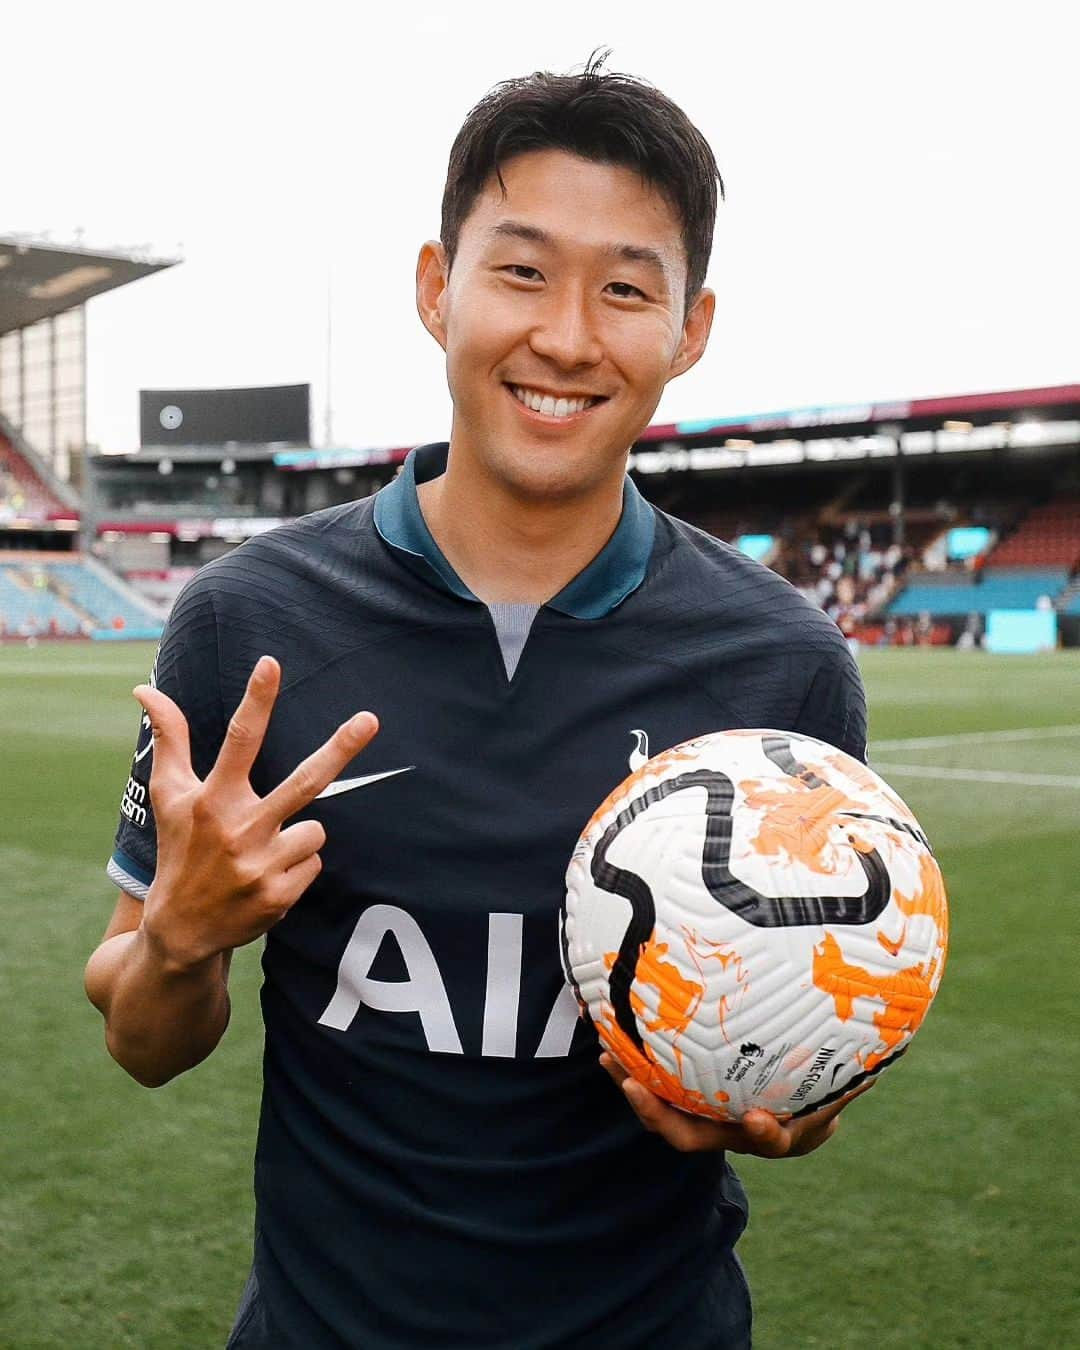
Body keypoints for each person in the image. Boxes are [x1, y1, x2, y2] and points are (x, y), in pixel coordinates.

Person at [85, 53, 870, 1350]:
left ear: (691, 327)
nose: (566, 335)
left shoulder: (781, 669)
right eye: (520, 270)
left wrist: (783, 1100)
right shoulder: (246, 621)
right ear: (436, 288)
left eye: (625, 287)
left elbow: (805, 1058)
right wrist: (179, 938)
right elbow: (141, 1035)